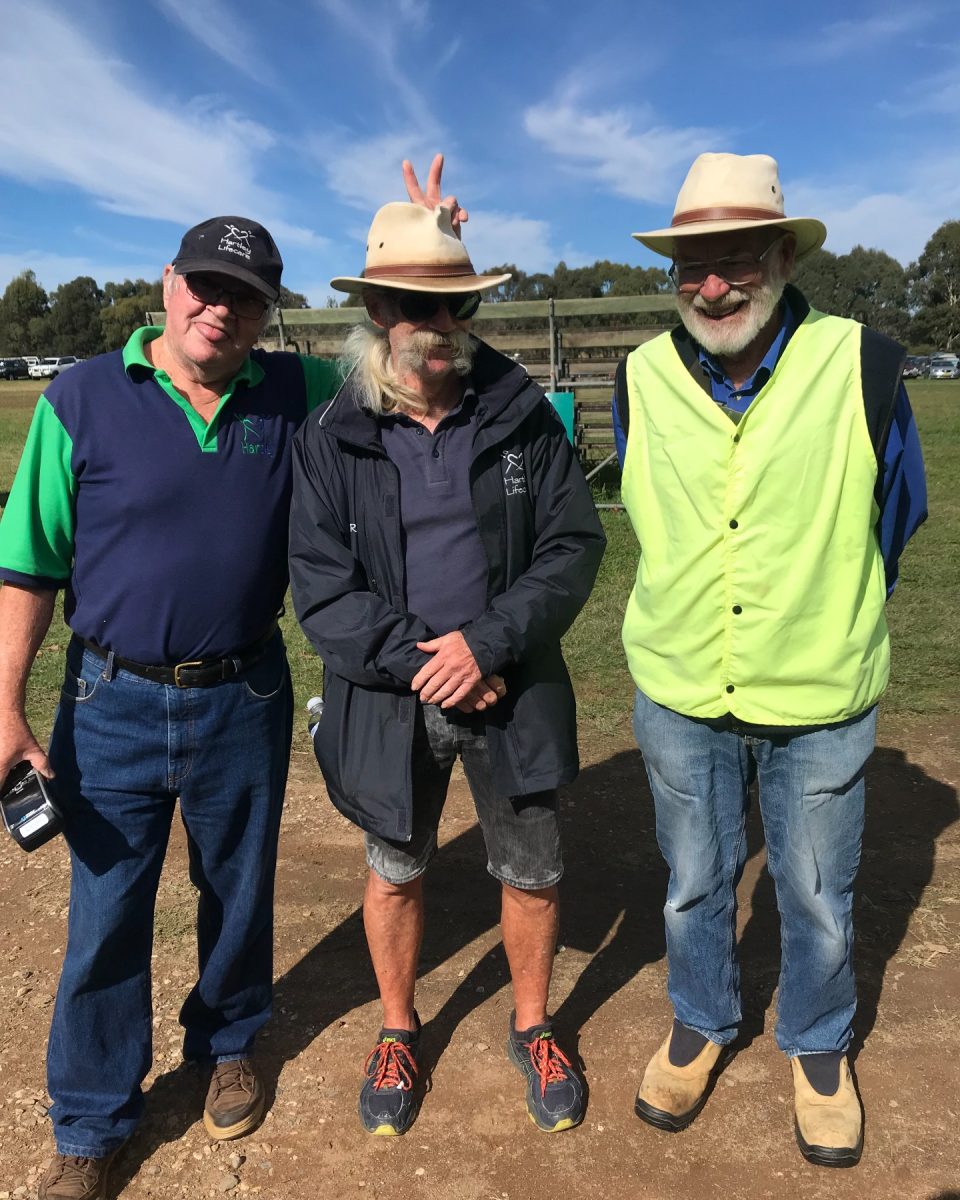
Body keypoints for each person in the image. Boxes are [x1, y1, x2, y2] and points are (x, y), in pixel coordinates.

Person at [0, 159, 457, 1200]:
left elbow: (420, 367)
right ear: (167, 285)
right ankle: (91, 1121)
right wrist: (4, 707)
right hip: (107, 701)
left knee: (237, 893)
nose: (222, 308)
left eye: (247, 297)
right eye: (207, 285)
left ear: (265, 318)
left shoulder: (292, 392)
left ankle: (229, 1043)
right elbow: (26, 563)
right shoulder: (80, 399)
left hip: (242, 692)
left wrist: (426, 254)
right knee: (108, 913)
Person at [613, 152, 927, 1168]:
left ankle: (820, 1046)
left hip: (820, 687)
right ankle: (703, 1020)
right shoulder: (640, 373)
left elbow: (899, 511)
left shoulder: (865, 361)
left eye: (737, 257)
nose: (713, 284)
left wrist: (817, 606)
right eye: (692, 264)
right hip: (680, 681)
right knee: (693, 880)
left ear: (784, 256)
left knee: (816, 892)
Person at [288, 184, 606, 1137]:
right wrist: (431, 663)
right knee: (395, 866)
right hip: (392, 695)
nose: (440, 325)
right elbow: (322, 588)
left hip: (511, 683)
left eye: (457, 303)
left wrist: (489, 644)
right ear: (376, 313)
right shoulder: (331, 437)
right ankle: (397, 1028)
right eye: (418, 306)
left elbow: (572, 547)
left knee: (533, 871)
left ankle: (534, 1025)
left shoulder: (520, 414)